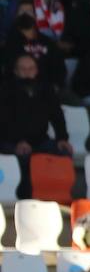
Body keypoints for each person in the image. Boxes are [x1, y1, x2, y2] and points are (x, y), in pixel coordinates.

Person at [0, 54, 73, 197]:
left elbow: (57, 116)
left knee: (63, 153)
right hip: (10, 141)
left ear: (36, 70)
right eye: (23, 69)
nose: (27, 72)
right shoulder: (5, 90)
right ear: (16, 71)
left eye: (31, 68)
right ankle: (26, 199)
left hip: (41, 140)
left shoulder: (46, 90)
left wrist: (62, 138)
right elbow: (4, 121)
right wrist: (19, 141)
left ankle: (59, 197)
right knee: (25, 158)